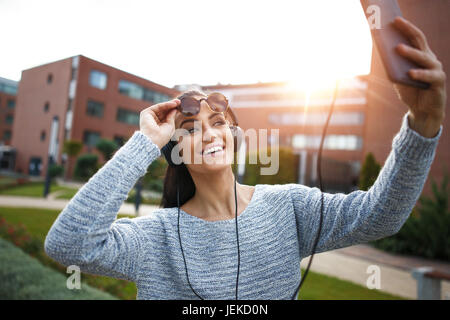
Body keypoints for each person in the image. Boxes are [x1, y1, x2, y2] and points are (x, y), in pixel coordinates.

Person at [45, 16, 446, 300]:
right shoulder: (156, 237)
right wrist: (145, 142)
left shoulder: (288, 207)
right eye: (190, 129)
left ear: (234, 135)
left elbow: (382, 216)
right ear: (176, 152)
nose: (210, 133)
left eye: (217, 121)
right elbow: (69, 245)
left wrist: (423, 122)